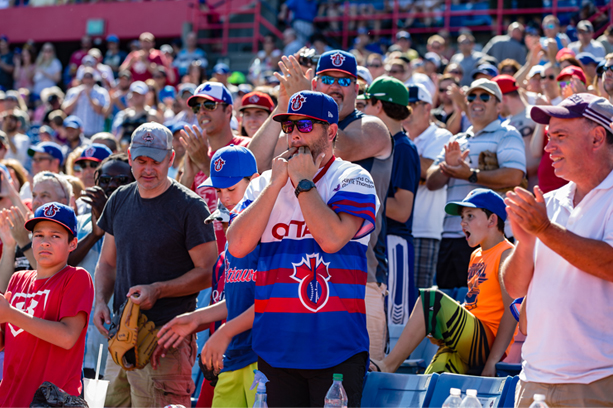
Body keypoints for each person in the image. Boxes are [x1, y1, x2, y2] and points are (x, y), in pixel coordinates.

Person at [223, 91, 378, 407]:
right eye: (288, 126)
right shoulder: (265, 183)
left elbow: (332, 239)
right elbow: (236, 246)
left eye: (305, 125)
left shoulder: (352, 177)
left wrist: (304, 183)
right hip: (275, 349)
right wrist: (276, 185)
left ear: (331, 131)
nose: (294, 134)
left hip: (335, 351)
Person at [247, 51, 393, 361]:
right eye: (327, 79)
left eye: (345, 80)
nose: (335, 86)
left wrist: (305, 113)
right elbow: (253, 164)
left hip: (356, 277)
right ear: (315, 82)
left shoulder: (372, 126)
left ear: (358, 88)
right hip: (291, 276)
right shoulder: (296, 129)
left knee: (351, 384)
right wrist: (287, 107)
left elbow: (328, 148)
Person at [93, 122, 217, 406]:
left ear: (171, 159)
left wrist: (158, 290)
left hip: (166, 341)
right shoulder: (119, 199)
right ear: (129, 157)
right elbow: (107, 263)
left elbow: (209, 272)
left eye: (156, 162)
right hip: (121, 340)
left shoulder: (190, 206)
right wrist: (100, 301)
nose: (148, 169)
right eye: (141, 161)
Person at [502, 93, 613, 407]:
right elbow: (513, 287)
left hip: (597, 383)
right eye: (549, 138)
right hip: (533, 379)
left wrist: (544, 231)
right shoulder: (547, 203)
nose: (547, 147)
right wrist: (525, 243)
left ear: (597, 137)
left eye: (560, 137)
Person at [370, 189, 516, 377]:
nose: (463, 222)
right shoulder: (475, 255)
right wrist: (442, 325)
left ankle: (389, 365)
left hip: (489, 344)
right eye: (462, 217)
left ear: (492, 220)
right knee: (433, 376)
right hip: (470, 339)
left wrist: (493, 361)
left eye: (470, 216)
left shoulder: (507, 254)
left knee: (430, 300)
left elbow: (512, 312)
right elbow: (475, 304)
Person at [157, 145, 259, 408]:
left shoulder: (270, 232)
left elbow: (272, 299)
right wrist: (194, 319)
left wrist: (225, 331)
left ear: (255, 182)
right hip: (231, 356)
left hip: (263, 355)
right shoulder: (229, 245)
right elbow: (238, 301)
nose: (224, 198)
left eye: (231, 189)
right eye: (219, 190)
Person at [426, 79, 526, 289]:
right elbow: (431, 181)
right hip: (451, 234)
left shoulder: (508, 134)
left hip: (490, 237)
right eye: (471, 97)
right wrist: (448, 167)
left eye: (484, 96)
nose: (476, 101)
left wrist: (470, 174)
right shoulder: (458, 139)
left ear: (499, 105)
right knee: (449, 307)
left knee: (486, 306)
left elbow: (514, 176)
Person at [0, 202, 93, 406]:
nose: (45, 242)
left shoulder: (76, 278)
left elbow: (68, 337)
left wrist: (10, 314)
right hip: (10, 397)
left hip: (51, 401)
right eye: (39, 235)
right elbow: (4, 340)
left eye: (55, 236)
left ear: (73, 244)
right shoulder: (17, 279)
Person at [67, 152, 134, 379]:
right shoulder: (80, 222)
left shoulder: (139, 220)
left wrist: (110, 220)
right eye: (105, 180)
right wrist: (95, 234)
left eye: (121, 180)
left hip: (117, 333)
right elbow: (64, 262)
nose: (112, 185)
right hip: (79, 334)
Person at [361, 76, 420, 325]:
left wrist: (363, 195)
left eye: (367, 103)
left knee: (394, 323)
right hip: (381, 244)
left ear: (378, 106)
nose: (362, 110)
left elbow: (403, 209)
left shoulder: (403, 148)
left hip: (395, 244)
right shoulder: (385, 145)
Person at [181, 82, 250, 255]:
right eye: (197, 107)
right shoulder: (197, 151)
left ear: (228, 111)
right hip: (204, 261)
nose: (202, 111)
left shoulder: (246, 147)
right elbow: (178, 209)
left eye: (209, 105)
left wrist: (205, 163)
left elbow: (248, 198)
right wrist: (187, 177)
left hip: (238, 255)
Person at [404, 84, 452, 289]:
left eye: (412, 105)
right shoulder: (397, 139)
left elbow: (428, 172)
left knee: (419, 301)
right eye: (403, 105)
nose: (406, 110)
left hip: (425, 229)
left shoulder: (442, 136)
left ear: (427, 109)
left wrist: (399, 147)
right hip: (397, 228)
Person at [493, 75, 539, 189]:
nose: (495, 108)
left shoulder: (536, 114)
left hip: (541, 188)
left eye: (495, 102)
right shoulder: (504, 126)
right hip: (515, 190)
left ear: (503, 99)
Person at [62, 67, 110, 138]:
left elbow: (101, 111)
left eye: (90, 76)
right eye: (85, 76)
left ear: (94, 78)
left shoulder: (101, 92)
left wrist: (89, 96)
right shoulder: (73, 92)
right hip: (77, 134)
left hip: (95, 133)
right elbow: (65, 110)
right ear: (82, 78)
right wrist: (77, 96)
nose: (87, 79)